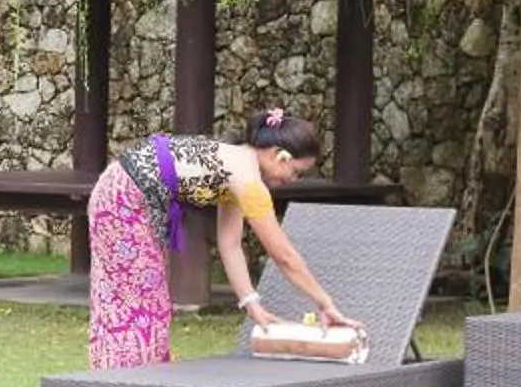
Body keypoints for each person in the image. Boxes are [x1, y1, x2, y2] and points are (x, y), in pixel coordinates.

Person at [86, 108, 358, 370]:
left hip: (121, 192)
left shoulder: (238, 165)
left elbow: (230, 245)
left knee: (143, 298)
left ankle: (132, 384)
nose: (293, 180)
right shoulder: (248, 181)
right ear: (279, 156)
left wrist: (250, 302)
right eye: (296, 171)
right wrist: (326, 304)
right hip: (125, 199)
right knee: (138, 300)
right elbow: (284, 255)